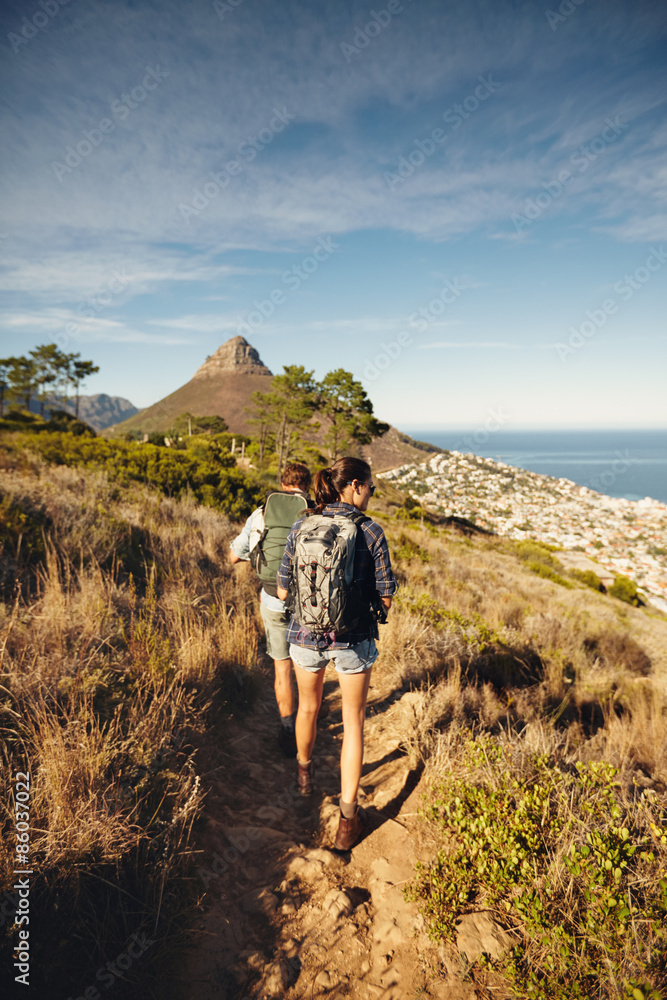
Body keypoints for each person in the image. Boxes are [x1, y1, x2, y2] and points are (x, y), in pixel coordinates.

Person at [276, 457, 397, 851]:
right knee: (353, 723)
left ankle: (303, 775)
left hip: (304, 635)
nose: (371, 495)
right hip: (353, 640)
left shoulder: (301, 525)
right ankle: (347, 821)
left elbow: (282, 591)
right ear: (355, 486)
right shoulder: (372, 532)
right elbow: (386, 598)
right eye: (371, 488)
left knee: (308, 709)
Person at [230, 461, 315, 757]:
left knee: (282, 669)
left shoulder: (262, 512)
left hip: (271, 598)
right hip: (308, 604)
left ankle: (287, 728)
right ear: (306, 486)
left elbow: (234, 555)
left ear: (283, 484)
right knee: (307, 668)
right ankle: (308, 726)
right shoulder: (314, 513)